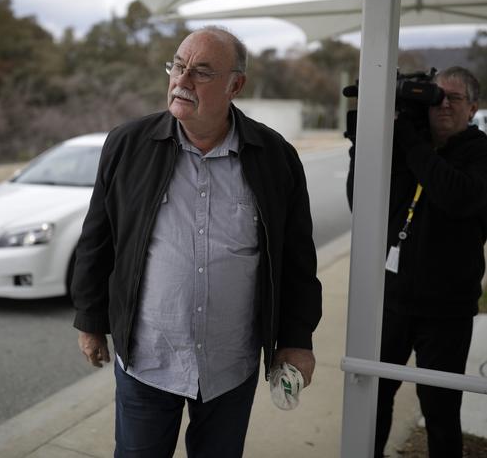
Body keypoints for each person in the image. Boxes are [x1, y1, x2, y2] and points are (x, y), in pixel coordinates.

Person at [71, 26, 322, 458]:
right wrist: (91, 319)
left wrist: (297, 339)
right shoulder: (127, 145)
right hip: (148, 361)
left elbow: (297, 257)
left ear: (235, 85)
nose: (182, 81)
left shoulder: (275, 156)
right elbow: (99, 238)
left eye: (202, 72)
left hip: (231, 365)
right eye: (178, 66)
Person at [346, 66, 487, 458]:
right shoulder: (409, 147)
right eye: (436, 97)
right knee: (373, 398)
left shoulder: (478, 153)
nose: (443, 104)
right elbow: (362, 203)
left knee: (440, 410)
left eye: (455, 98)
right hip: (392, 301)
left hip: (447, 311)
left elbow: (456, 195)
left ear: (473, 107)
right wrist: (364, 143)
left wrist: (410, 143)